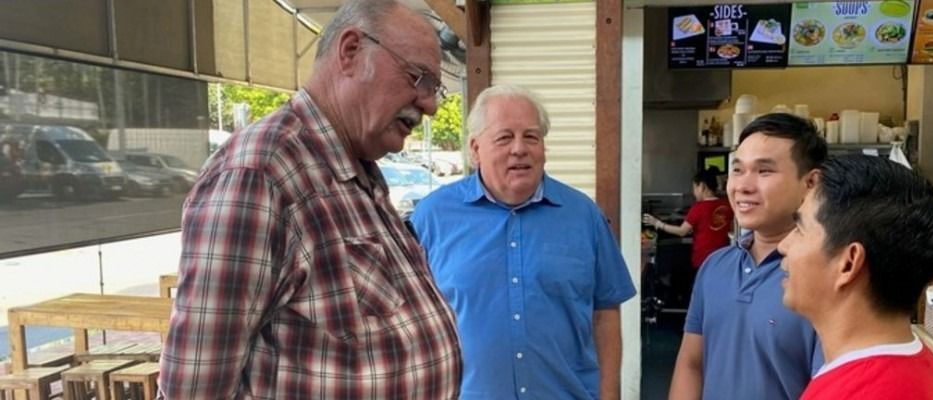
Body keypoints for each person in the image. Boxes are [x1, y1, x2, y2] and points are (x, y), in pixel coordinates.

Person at [158, 1, 461, 398]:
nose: (431, 105)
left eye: (433, 88)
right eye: (418, 78)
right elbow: (194, 389)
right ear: (351, 51)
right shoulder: (260, 173)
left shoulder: (355, 166)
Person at [410, 84, 636, 400]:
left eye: (531, 137)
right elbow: (407, 318)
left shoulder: (584, 216)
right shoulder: (431, 217)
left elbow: (605, 313)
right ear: (475, 150)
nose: (520, 149)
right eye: (504, 137)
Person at [669, 113, 826, 400]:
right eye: (738, 170)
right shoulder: (715, 267)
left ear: (811, 183)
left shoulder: (827, 279)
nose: (743, 185)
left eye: (764, 171)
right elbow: (691, 364)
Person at [777, 155, 933, 400]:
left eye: (799, 230)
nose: (783, 246)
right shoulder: (922, 368)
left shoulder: (855, 391)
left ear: (848, 263)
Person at [642, 169, 733, 270]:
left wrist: (658, 223)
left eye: (694, 187)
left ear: (702, 186)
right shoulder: (726, 205)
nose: (694, 192)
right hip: (723, 258)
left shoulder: (699, 208)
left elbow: (682, 231)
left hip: (703, 259)